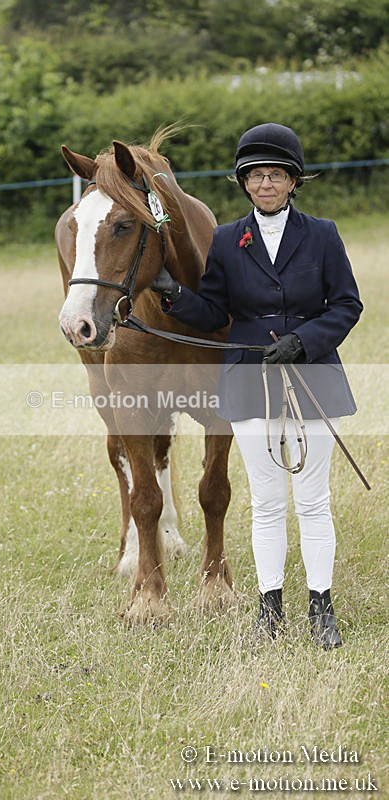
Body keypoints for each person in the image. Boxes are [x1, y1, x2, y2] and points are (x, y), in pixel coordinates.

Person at [152, 122, 362, 649]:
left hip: (312, 377)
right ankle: (269, 609)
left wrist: (305, 340)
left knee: (313, 502)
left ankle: (321, 607)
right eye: (255, 176)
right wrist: (172, 295)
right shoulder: (226, 240)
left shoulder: (324, 235)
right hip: (250, 383)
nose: (265, 184)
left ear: (294, 180)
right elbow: (215, 310)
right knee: (267, 503)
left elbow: (347, 305)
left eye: (276, 175)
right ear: (243, 182)